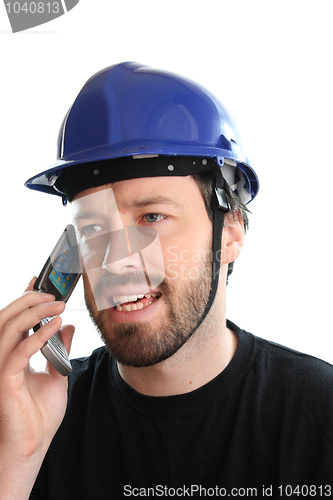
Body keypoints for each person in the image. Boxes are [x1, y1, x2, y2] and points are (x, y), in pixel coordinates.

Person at [0, 62, 332, 500]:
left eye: (152, 217)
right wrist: (17, 461)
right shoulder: (34, 419)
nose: (116, 260)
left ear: (230, 233)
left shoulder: (319, 415)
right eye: (94, 229)